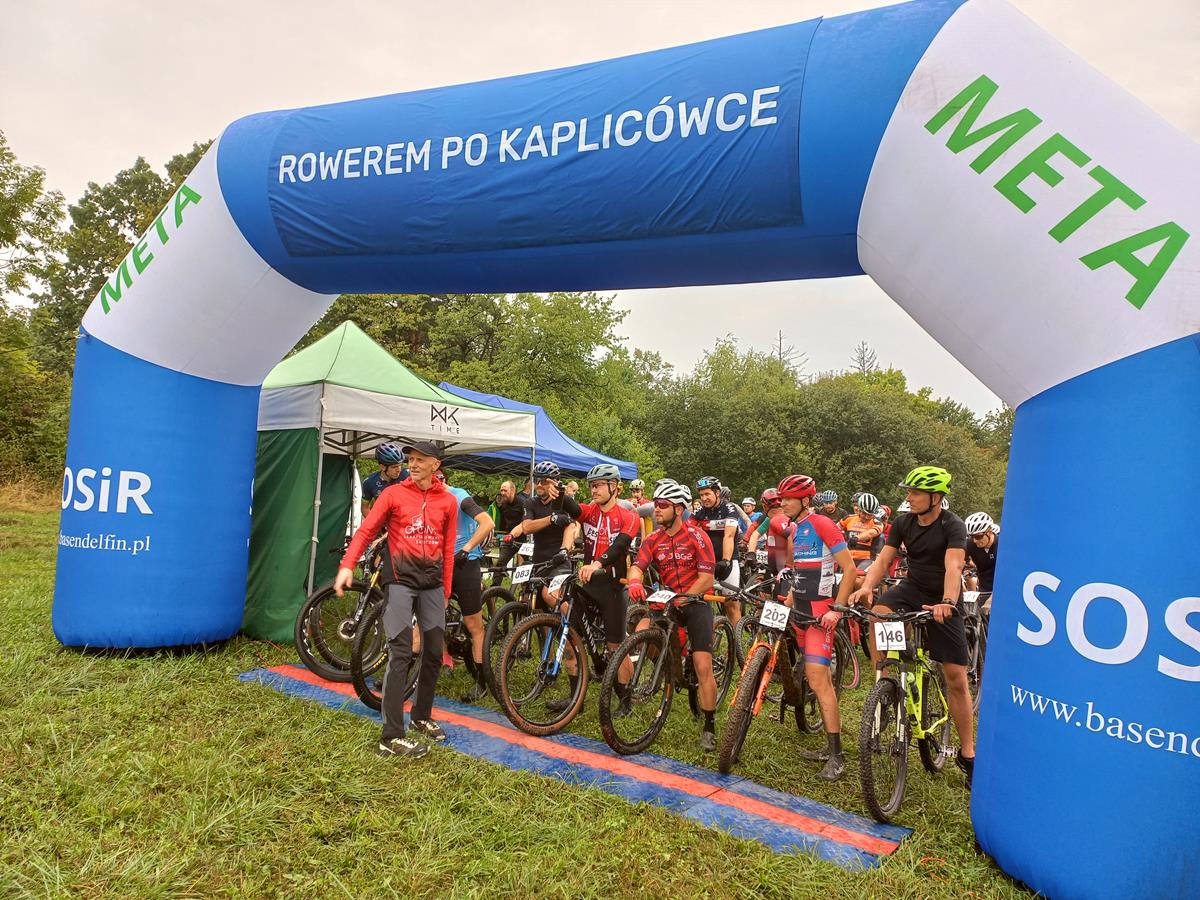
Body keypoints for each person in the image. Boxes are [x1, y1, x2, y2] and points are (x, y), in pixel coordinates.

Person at [849, 465, 976, 787]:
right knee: (878, 612)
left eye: (916, 492)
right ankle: (884, 681)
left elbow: (954, 566)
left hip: (944, 596)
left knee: (956, 677)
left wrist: (948, 601)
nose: (910, 497)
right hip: (912, 588)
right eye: (909, 491)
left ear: (936, 497)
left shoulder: (952, 525)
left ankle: (968, 753)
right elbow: (883, 560)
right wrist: (867, 587)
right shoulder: (904, 522)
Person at [335, 441, 456, 759]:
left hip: (432, 587)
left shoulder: (448, 501)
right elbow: (365, 531)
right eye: (410, 459)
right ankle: (390, 737)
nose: (412, 464)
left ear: (435, 465)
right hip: (399, 583)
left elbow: (448, 547)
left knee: (433, 652)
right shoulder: (392, 494)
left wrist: (446, 590)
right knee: (401, 652)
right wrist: (347, 565)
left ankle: (421, 716)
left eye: (419, 460)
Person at [771, 474, 858, 779]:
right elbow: (798, 571)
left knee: (820, 682)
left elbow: (850, 569)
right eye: (781, 498)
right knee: (807, 674)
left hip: (821, 613)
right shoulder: (795, 530)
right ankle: (822, 740)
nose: (782, 503)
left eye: (788, 499)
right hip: (799, 609)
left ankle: (837, 756)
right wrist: (788, 598)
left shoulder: (822, 524)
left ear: (805, 500)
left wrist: (838, 609)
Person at [626, 481, 720, 752]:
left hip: (696, 601)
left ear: (678, 509)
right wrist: (635, 581)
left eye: (662, 505)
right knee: (641, 633)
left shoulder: (696, 536)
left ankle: (709, 725)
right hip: (668, 600)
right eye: (655, 504)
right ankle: (668, 667)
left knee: (702, 664)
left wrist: (687, 596)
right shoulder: (654, 538)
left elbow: (707, 578)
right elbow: (637, 566)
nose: (656, 509)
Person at [561, 463, 640, 713]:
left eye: (597, 486)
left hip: (613, 587)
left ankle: (625, 700)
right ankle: (575, 699)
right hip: (589, 584)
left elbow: (619, 546)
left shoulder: (629, 516)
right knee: (570, 636)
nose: (593, 490)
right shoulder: (589, 512)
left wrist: (597, 563)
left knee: (615, 646)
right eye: (591, 486)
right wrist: (559, 492)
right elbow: (573, 508)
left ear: (614, 486)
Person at [501, 460, 580, 611]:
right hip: (539, 561)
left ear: (554, 482)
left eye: (544, 481)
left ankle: (573, 624)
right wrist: (551, 519)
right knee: (530, 603)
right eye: (536, 480)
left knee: (550, 595)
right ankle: (544, 625)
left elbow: (571, 527)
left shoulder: (563, 501)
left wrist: (564, 550)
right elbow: (527, 527)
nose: (538, 484)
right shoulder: (530, 503)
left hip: (559, 562)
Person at [445, 474, 495, 702]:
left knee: (474, 625)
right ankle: (443, 662)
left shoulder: (459, 496)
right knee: (428, 619)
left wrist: (466, 548)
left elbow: (488, 522)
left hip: (465, 564)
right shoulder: (423, 498)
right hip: (441, 565)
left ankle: (482, 681)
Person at [691, 475, 743, 625]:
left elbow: (729, 535)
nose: (704, 498)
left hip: (728, 559)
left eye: (707, 494)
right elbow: (686, 531)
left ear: (717, 493)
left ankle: (737, 637)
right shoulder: (700, 511)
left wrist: (725, 560)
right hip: (707, 561)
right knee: (699, 600)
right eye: (701, 495)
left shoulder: (729, 509)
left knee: (731, 605)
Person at [491, 479, 529, 586]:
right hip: (509, 539)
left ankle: (526, 591)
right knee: (500, 564)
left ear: (513, 490)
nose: (502, 493)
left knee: (526, 566)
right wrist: (496, 535)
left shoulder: (523, 503)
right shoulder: (503, 504)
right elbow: (502, 522)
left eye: (505, 491)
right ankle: (494, 590)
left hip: (524, 539)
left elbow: (526, 523)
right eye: (501, 490)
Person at [361, 442, 409, 516]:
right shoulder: (369, 482)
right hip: (384, 521)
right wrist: (373, 522)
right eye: (394, 467)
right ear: (382, 467)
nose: (399, 470)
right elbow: (365, 507)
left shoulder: (407, 475)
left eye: (400, 465)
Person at [839, 493, 884, 573]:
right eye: (864, 513)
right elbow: (834, 529)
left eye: (870, 515)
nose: (866, 517)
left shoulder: (877, 523)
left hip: (867, 559)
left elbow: (871, 533)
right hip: (848, 558)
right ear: (859, 509)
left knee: (858, 577)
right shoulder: (849, 518)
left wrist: (857, 538)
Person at [963, 512, 1000, 601]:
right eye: (971, 536)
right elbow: (958, 565)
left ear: (989, 532)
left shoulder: (1002, 545)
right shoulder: (970, 544)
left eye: (978, 536)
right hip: (984, 589)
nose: (975, 540)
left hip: (1002, 587)